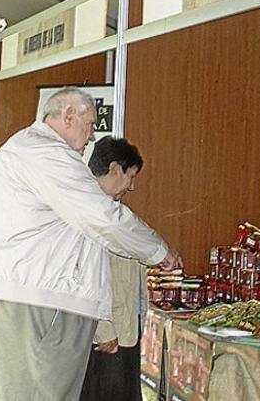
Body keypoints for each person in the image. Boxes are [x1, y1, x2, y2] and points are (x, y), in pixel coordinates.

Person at [0, 87, 182, 400]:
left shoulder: (30, 149)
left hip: (36, 295)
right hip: (43, 300)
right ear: (69, 116)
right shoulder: (46, 154)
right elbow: (104, 218)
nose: (92, 136)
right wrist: (159, 250)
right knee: (43, 392)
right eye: (90, 125)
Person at [80, 136, 148, 401]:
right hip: (107, 337)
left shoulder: (112, 212)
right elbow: (87, 278)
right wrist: (104, 330)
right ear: (115, 169)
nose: (131, 186)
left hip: (123, 330)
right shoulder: (92, 215)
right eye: (130, 176)